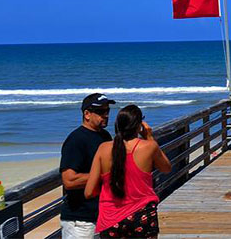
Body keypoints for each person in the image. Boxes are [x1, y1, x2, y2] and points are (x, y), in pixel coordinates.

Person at [85, 105, 172, 238]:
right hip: (142, 214)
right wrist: (149, 137)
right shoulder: (148, 146)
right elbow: (166, 168)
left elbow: (89, 192)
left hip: (111, 218)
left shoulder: (103, 149)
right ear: (139, 126)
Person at [60, 93, 117, 238]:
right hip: (80, 220)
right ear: (87, 114)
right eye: (100, 112)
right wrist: (104, 175)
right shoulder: (76, 140)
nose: (105, 115)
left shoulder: (104, 136)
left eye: (107, 111)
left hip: (102, 215)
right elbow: (69, 180)